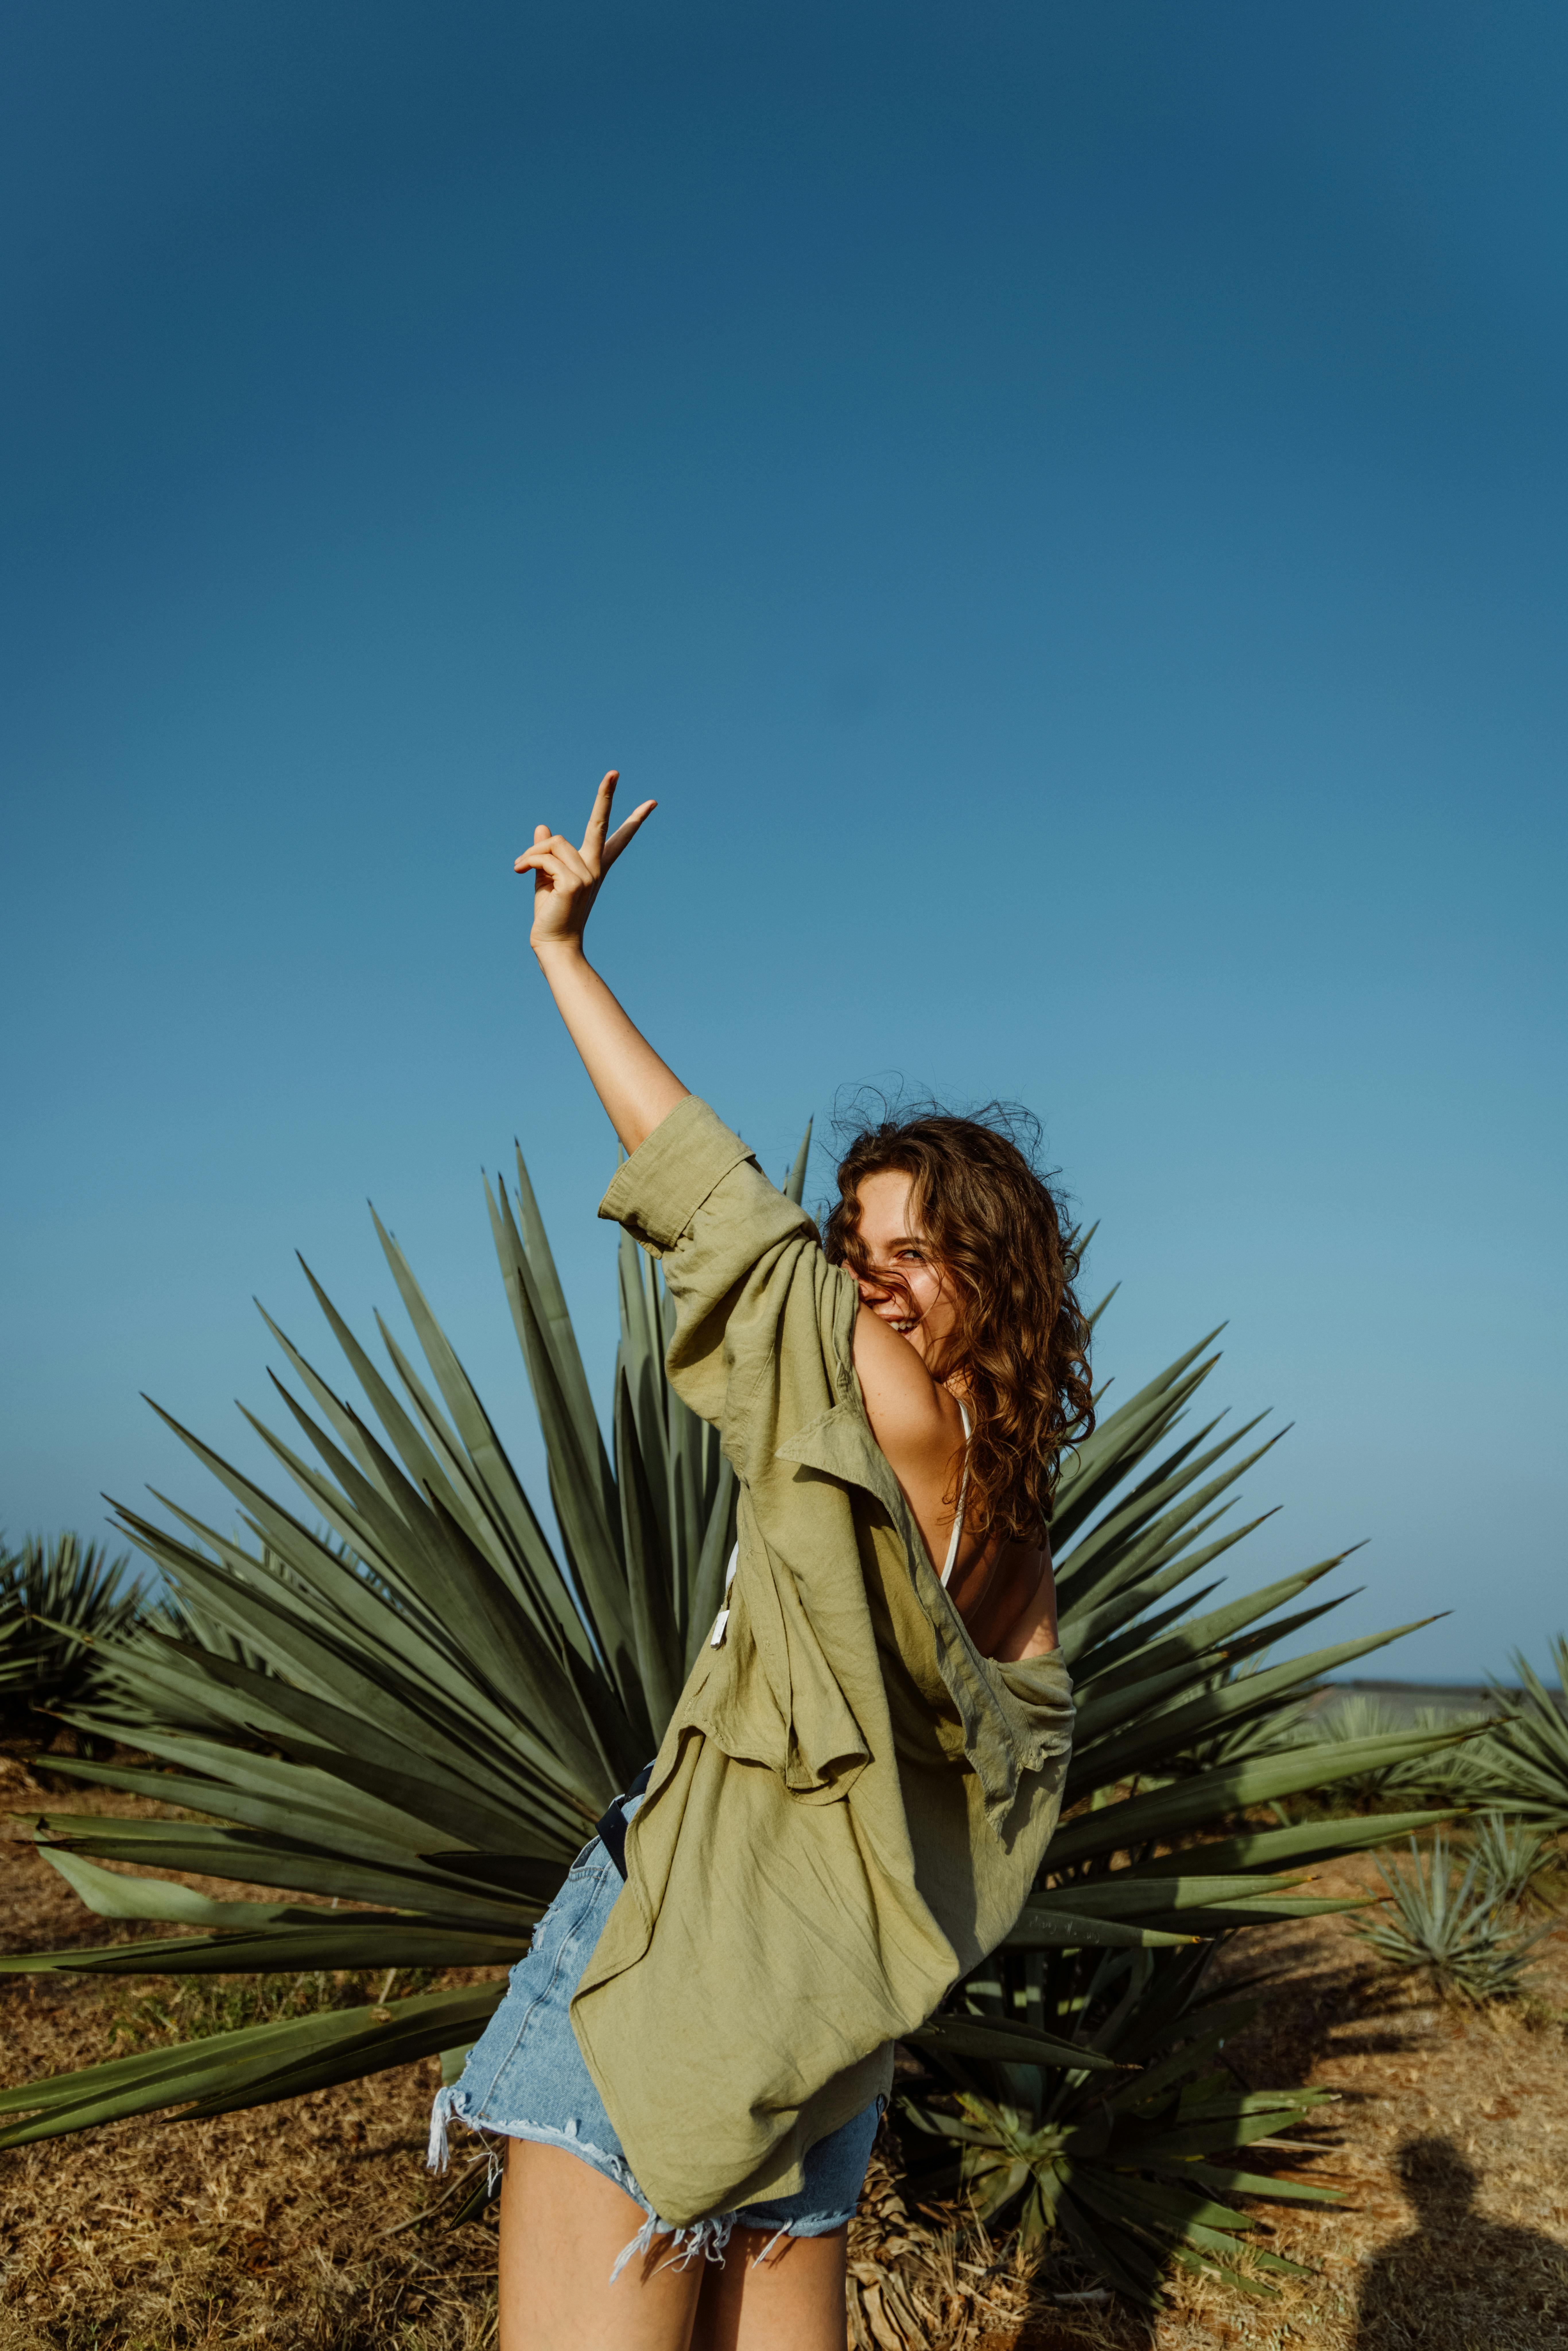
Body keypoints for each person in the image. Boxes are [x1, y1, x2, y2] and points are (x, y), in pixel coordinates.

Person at [430, 773, 1088, 2351]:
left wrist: (563, 957)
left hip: (668, 1985)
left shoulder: (891, 1421)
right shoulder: (1017, 1542)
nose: (871, 1290)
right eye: (859, 1258)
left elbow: (709, 1202)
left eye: (909, 1257)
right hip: (823, 2042)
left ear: (984, 1276)